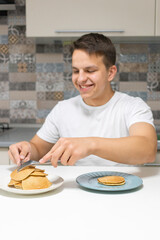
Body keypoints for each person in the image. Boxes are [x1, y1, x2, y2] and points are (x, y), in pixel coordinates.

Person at [8, 33, 157, 167]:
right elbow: (39, 149)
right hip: (76, 191)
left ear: (110, 73)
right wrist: (26, 149)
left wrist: (91, 144)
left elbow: (147, 149)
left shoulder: (133, 106)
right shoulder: (63, 109)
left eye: (90, 71)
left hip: (125, 191)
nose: (80, 79)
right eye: (75, 71)